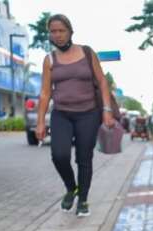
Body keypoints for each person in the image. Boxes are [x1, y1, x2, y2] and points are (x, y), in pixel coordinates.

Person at [35, 14, 115, 217]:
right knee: (59, 155)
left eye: (61, 30)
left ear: (70, 31)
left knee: (84, 158)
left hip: (88, 113)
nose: (58, 35)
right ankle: (72, 188)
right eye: (53, 31)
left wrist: (106, 110)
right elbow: (45, 93)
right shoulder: (49, 60)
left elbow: (102, 82)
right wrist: (40, 122)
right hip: (61, 113)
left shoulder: (87, 53)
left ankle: (83, 200)